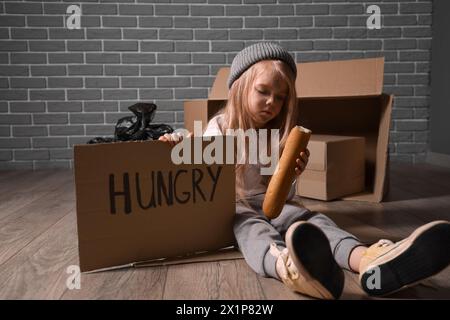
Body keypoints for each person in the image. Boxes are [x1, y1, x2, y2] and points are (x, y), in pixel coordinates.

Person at [159, 42, 450, 299]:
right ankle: (291, 268)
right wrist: (177, 140)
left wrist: (291, 175)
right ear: (240, 87)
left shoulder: (277, 134)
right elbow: (196, 153)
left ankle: (369, 260)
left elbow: (280, 194)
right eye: (263, 91)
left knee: (309, 219)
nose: (272, 102)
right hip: (236, 206)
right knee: (252, 229)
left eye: (281, 96)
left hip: (271, 202)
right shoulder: (220, 127)